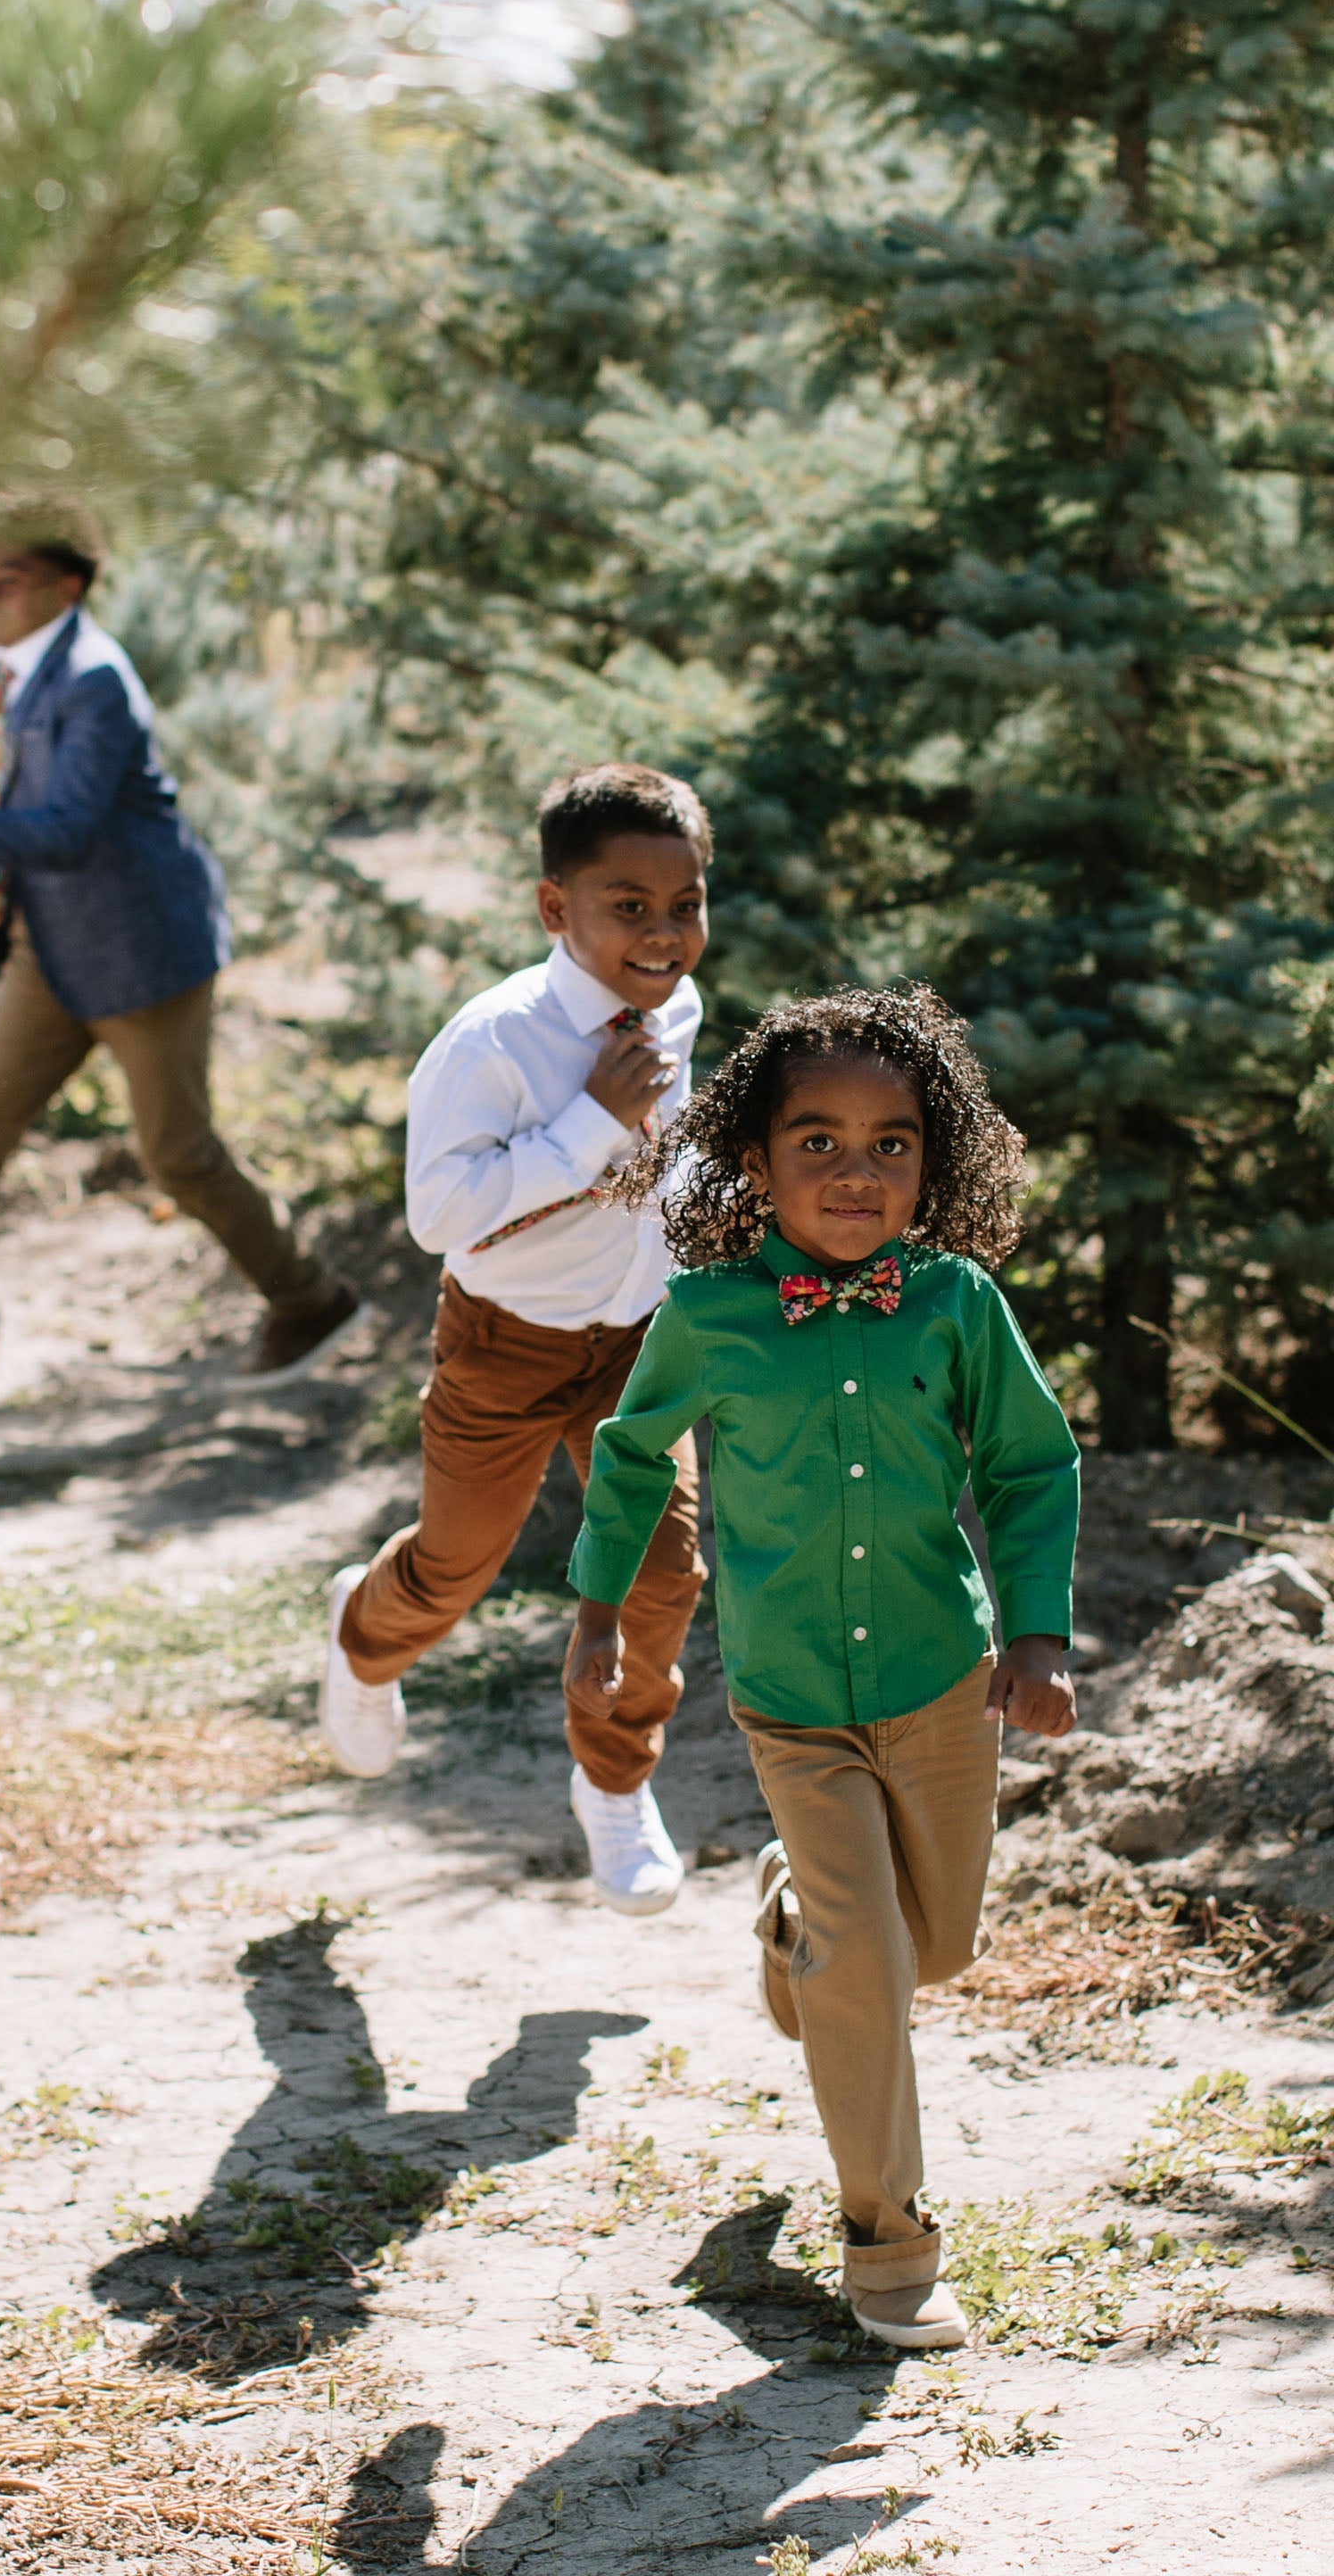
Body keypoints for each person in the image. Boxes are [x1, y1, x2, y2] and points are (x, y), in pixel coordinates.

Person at [563, 982, 1081, 2351]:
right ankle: (888, 2242)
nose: (857, 1174)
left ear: (935, 1158)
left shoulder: (958, 1305)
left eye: (892, 1144)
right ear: (756, 1160)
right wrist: (598, 1612)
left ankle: (794, 1922)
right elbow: (629, 1457)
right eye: (819, 1144)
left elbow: (1030, 1467)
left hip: (937, 1681)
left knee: (938, 1948)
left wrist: (1038, 1632)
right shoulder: (712, 1316)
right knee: (870, 1961)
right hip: (793, 1698)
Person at [0, 486, 356, 1414]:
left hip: (140, 950)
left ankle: (309, 1301)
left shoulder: (94, 679)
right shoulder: (5, 667)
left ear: (69, 586)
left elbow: (68, 826)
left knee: (178, 1156)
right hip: (48, 948)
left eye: (11, 578)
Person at [319, 763, 712, 1914]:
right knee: (457, 1569)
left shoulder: (675, 1010)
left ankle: (612, 1782)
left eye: (683, 903)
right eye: (625, 907)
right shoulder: (491, 1043)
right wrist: (592, 1119)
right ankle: (362, 1631)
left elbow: (668, 1164)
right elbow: (437, 1217)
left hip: (638, 1347)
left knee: (663, 1570)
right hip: (506, 1343)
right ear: (556, 909)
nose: (661, 933)